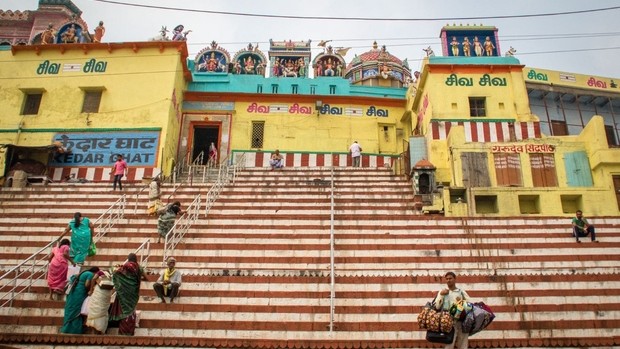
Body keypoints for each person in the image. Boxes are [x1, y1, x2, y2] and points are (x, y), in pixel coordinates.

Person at [109, 253, 146, 336]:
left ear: (128, 259)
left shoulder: (126, 265)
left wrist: (114, 268)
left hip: (124, 292)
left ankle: (123, 333)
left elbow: (115, 272)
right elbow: (146, 278)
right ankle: (130, 332)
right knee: (131, 311)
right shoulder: (139, 267)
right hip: (134, 292)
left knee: (125, 311)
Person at [434, 271, 471, 349]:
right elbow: (437, 307)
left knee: (463, 345)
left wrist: (461, 303)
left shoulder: (461, 292)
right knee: (449, 344)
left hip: (462, 322)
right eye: (447, 279)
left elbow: (470, 305)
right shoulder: (442, 292)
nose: (448, 280)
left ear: (455, 279)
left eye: (450, 278)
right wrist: (441, 295)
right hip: (448, 322)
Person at [60, 266, 100, 334]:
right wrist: (91, 289)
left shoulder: (84, 272)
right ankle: (74, 330)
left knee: (71, 309)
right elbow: (87, 284)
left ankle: (67, 328)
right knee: (77, 310)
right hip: (80, 293)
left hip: (74, 292)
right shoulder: (90, 274)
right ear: (95, 272)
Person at [85, 270, 114, 334]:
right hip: (107, 294)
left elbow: (94, 278)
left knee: (95, 309)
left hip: (99, 293)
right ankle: (99, 330)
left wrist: (91, 289)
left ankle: (93, 331)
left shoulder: (100, 272)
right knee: (102, 311)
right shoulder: (110, 276)